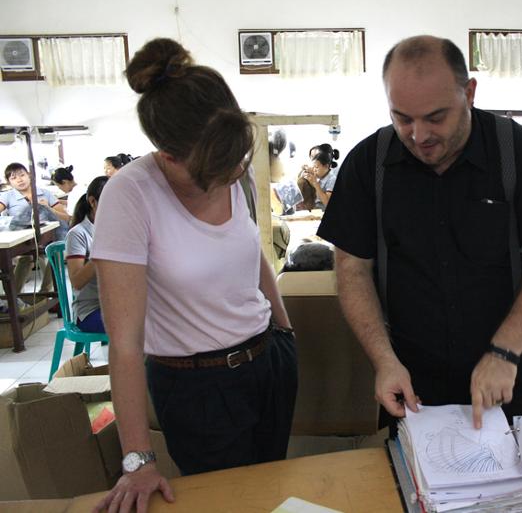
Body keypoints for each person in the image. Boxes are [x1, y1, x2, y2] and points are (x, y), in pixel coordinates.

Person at [317, 35, 522, 433]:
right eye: (402, 117)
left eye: (436, 117)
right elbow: (352, 267)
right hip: (410, 384)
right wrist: (383, 360)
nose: (419, 135)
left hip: (502, 378)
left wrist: (505, 351)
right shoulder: (368, 164)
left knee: (509, 493)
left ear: (469, 92)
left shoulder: (520, 153)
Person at [91, 38, 297, 513]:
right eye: (214, 171)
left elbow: (253, 252)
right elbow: (123, 344)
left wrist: (285, 331)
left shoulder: (233, 168)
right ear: (168, 156)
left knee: (270, 493)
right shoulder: (130, 197)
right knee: (228, 503)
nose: (230, 177)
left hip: (269, 362)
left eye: (236, 163)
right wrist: (137, 460)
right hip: (198, 388)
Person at [0, 162, 70, 296]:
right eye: (13, 178)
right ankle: (14, 297)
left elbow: (65, 218)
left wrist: (48, 208)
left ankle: (45, 294)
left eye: (22, 175)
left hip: (47, 236)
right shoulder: (7, 196)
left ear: (29, 175)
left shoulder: (45, 194)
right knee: (25, 259)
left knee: (54, 256)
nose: (19, 180)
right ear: (9, 182)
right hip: (23, 239)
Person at [65, 176, 109, 333]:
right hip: (91, 310)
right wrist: (103, 252)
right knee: (142, 327)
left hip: (119, 303)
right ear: (92, 202)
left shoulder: (120, 228)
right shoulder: (78, 234)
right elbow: (76, 281)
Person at [297, 144, 340, 210]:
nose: (314, 169)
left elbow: (327, 202)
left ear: (326, 166)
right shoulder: (318, 175)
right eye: (313, 167)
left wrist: (315, 184)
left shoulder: (332, 179)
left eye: (316, 167)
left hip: (323, 210)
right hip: (314, 207)